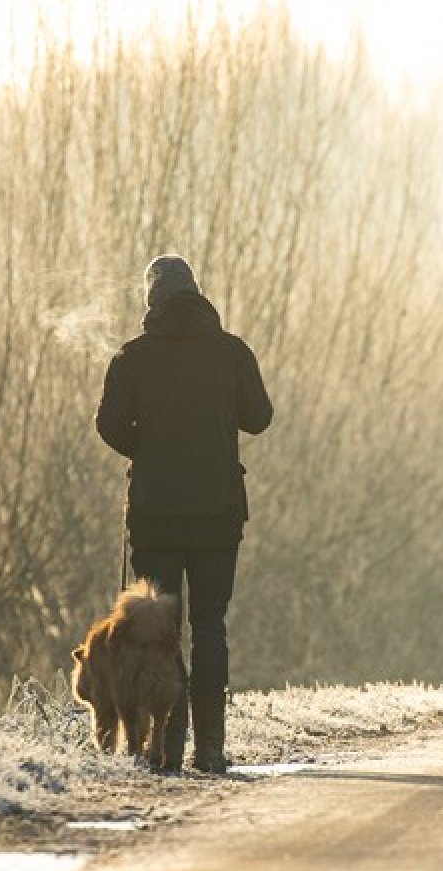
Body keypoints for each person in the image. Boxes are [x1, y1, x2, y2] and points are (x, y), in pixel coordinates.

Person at [96, 255, 273, 773]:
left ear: (151, 302)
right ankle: (211, 748)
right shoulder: (232, 353)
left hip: (154, 512)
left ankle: (165, 752)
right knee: (210, 624)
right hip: (218, 510)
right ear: (198, 294)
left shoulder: (133, 358)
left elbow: (107, 425)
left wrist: (145, 450)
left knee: (158, 630)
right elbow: (258, 418)